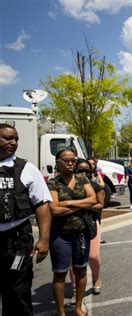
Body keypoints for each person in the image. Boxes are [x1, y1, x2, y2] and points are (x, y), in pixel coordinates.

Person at [0, 123, 52, 316]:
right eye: (8, 138)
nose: (13, 142)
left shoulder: (27, 169)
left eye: (16, 139)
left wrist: (44, 239)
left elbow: (42, 204)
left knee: (18, 292)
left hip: (18, 241)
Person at [47, 149, 97, 316]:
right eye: (66, 160)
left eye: (73, 160)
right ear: (58, 162)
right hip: (60, 235)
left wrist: (67, 203)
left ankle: (78, 307)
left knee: (81, 270)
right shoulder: (53, 182)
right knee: (60, 273)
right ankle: (61, 312)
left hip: (81, 234)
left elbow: (94, 200)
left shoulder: (82, 179)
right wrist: (81, 205)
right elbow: (54, 209)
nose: (70, 163)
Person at [75, 159, 105, 295]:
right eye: (80, 170)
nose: (83, 173)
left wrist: (80, 205)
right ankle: (75, 287)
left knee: (93, 256)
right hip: (72, 225)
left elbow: (100, 205)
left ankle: (96, 278)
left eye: (86, 171)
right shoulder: (69, 187)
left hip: (92, 223)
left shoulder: (96, 186)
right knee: (73, 258)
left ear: (91, 172)